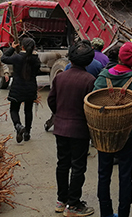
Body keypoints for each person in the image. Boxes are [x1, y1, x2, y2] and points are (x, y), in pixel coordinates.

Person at [92, 42, 132, 217]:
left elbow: (93, 102)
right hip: (128, 134)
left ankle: (106, 213)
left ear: (119, 56)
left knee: (104, 174)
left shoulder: (103, 77)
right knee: (125, 175)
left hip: (105, 134)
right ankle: (123, 213)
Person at [48, 40, 96, 217]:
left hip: (60, 128)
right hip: (79, 130)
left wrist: (60, 114)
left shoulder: (60, 77)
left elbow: (51, 101)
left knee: (62, 163)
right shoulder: (90, 80)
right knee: (78, 167)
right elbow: (91, 108)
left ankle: (61, 200)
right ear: (88, 61)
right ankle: (74, 204)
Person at [2, 38, 41, 143]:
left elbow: (4, 58)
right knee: (28, 110)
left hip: (17, 88)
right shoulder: (36, 59)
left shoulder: (17, 58)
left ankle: (18, 126)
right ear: (34, 47)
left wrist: (12, 48)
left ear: (22, 46)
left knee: (14, 109)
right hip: (30, 88)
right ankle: (27, 133)